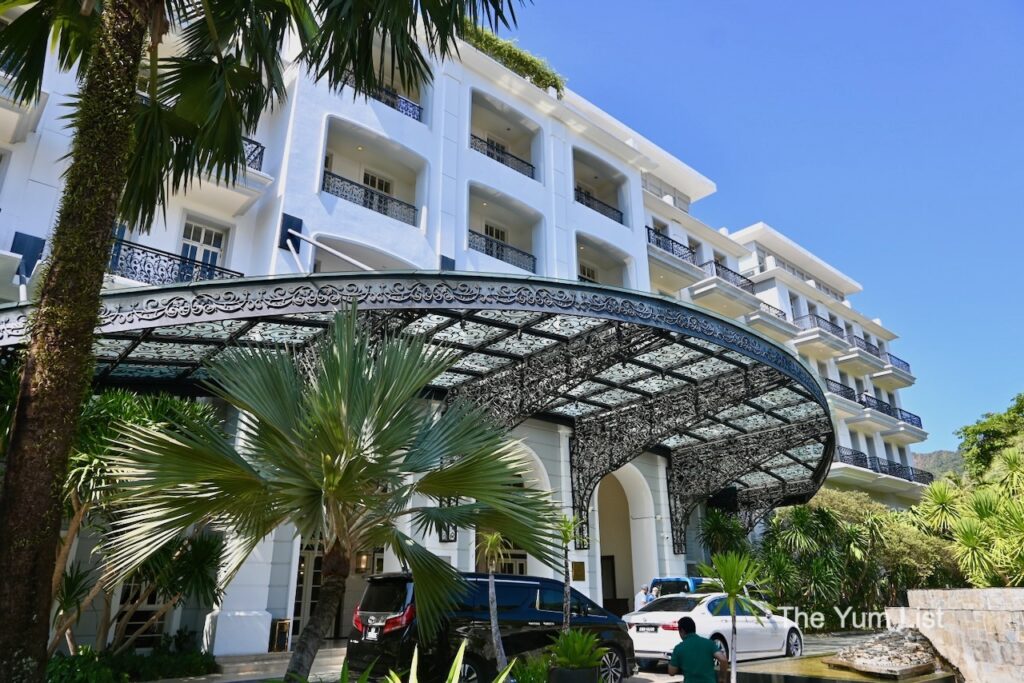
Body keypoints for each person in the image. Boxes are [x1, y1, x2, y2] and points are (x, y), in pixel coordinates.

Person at [667, 616, 728, 683]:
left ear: (682, 631)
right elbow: (723, 659)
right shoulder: (709, 643)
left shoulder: (679, 648)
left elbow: (671, 672)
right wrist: (722, 678)